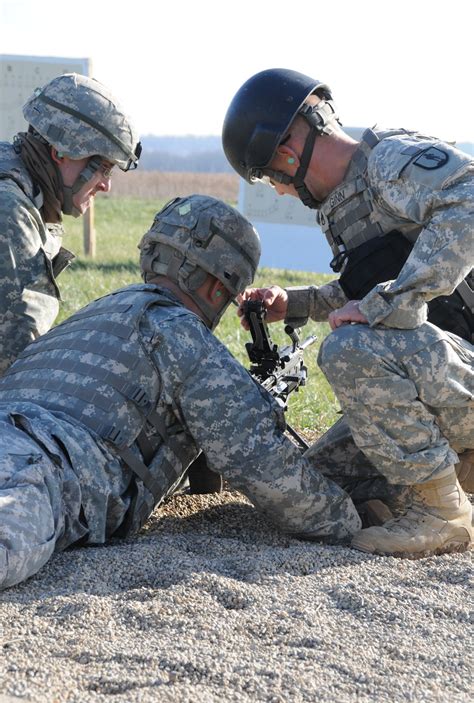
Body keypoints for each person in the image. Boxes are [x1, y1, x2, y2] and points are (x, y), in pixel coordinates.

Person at [0, 194, 361, 590]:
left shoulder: (95, 312)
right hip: (40, 469)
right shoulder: (179, 333)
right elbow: (269, 472)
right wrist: (348, 519)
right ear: (214, 286)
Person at [222, 68, 474, 558]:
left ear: (288, 152)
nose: (278, 190)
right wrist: (293, 303)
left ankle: (444, 514)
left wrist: (393, 303)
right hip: (446, 378)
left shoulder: (389, 161)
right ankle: (457, 473)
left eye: (272, 176)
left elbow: (470, 197)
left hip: (458, 372)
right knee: (318, 483)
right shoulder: (345, 203)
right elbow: (365, 292)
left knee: (350, 348)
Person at [0, 72, 141, 375]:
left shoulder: (16, 184)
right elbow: (15, 365)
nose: (106, 186)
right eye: (103, 168)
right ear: (60, 153)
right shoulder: (11, 212)